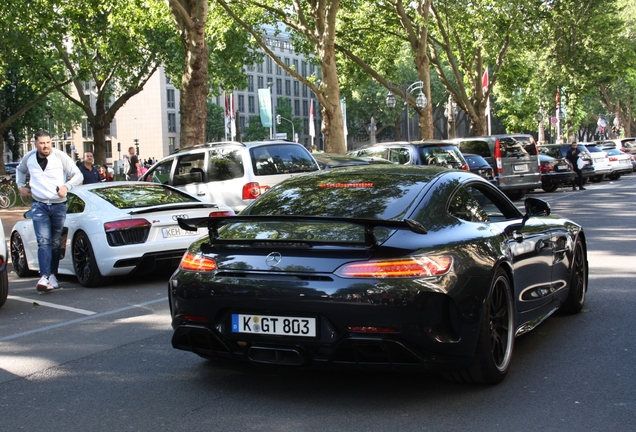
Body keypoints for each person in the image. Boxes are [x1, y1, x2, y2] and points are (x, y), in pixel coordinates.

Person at [16, 130, 83, 293]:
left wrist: (66, 186)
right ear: (35, 144)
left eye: (47, 142)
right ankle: (44, 276)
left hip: (58, 205)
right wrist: (20, 187)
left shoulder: (60, 156)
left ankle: (53, 275)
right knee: (43, 241)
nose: (45, 146)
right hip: (39, 205)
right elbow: (20, 170)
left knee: (54, 242)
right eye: (42, 143)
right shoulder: (29, 157)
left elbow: (78, 175)